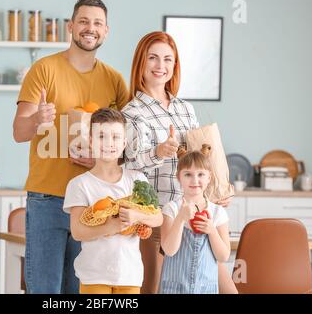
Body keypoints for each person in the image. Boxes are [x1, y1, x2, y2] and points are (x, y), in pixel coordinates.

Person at [12, 0, 129, 294]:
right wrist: (38, 118)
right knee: (45, 291)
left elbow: (126, 143)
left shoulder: (114, 81)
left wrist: (103, 161)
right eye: (84, 21)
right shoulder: (44, 69)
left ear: (106, 31)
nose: (90, 28)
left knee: (82, 291)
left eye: (97, 23)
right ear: (71, 26)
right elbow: (18, 131)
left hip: (93, 201)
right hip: (47, 198)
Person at [122, 31, 237, 294]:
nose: (160, 66)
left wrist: (216, 190)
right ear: (141, 62)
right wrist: (159, 152)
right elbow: (129, 166)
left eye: (167, 60)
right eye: (153, 58)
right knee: (153, 288)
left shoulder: (185, 108)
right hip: (159, 217)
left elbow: (199, 161)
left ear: (175, 66)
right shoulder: (131, 112)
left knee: (225, 287)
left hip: (197, 215)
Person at [63, 108, 163, 294]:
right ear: (91, 141)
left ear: (124, 142)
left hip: (130, 275)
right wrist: (112, 227)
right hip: (94, 276)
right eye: (101, 136)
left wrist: (136, 215)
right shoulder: (79, 184)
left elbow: (157, 218)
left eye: (116, 137)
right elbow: (77, 232)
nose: (109, 143)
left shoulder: (137, 179)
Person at [159, 148, 231, 293]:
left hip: (206, 289)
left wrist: (212, 231)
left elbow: (223, 256)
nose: (195, 180)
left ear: (209, 178)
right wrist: (180, 218)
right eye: (188, 174)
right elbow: (169, 250)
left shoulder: (217, 212)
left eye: (201, 174)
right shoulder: (171, 209)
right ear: (179, 177)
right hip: (174, 289)